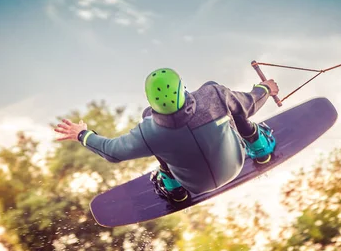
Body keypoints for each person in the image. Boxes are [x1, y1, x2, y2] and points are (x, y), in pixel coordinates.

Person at [54, 68, 279, 203]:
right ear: (183, 88)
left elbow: (112, 152)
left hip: (194, 185)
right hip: (236, 163)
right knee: (233, 106)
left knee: (153, 134)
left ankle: (175, 190)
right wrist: (266, 89)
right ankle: (261, 150)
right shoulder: (213, 96)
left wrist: (82, 134)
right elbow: (249, 102)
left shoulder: (147, 131)